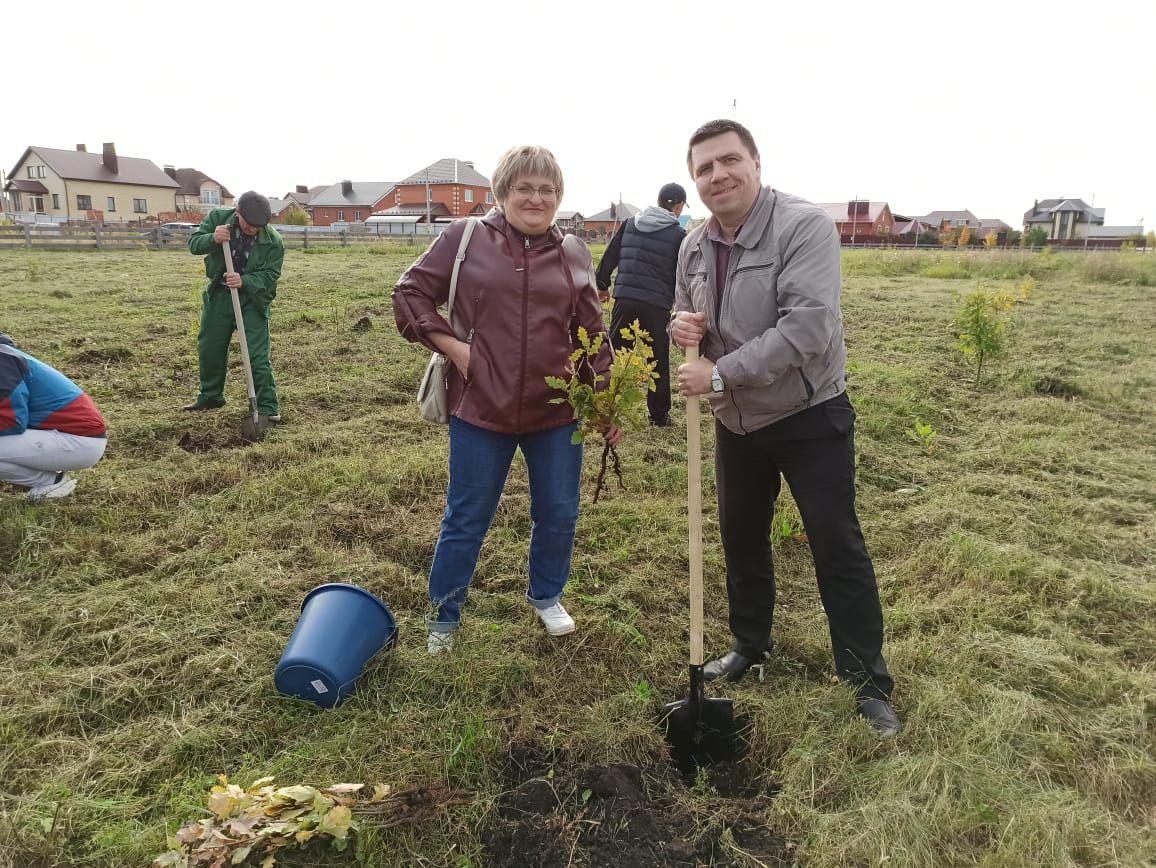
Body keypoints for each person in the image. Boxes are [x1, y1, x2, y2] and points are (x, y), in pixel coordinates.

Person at [670, 119, 901, 737]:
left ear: (755, 161)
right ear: (694, 180)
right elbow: (685, 310)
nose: (717, 176)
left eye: (728, 161)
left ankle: (866, 681)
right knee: (741, 536)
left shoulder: (803, 228)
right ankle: (750, 644)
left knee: (836, 543)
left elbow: (806, 330)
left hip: (807, 416)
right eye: (704, 168)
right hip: (737, 424)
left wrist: (718, 376)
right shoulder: (694, 244)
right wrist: (683, 328)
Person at [393, 145, 620, 655]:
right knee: (467, 514)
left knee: (559, 512)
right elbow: (409, 293)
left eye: (547, 190)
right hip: (481, 407)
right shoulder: (465, 239)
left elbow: (591, 333)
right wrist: (458, 350)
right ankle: (445, 614)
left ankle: (546, 595)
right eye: (525, 188)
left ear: (559, 197)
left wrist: (603, 401)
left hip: (556, 412)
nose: (536, 198)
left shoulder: (575, 253)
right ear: (503, 192)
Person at [184, 191, 284, 422]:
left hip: (252, 300)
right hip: (220, 295)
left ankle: (268, 408)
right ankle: (210, 396)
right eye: (250, 225)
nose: (254, 230)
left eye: (259, 226)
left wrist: (245, 281)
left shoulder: (273, 241)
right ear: (238, 213)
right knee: (211, 347)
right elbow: (194, 244)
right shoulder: (219, 219)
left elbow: (271, 275)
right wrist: (213, 238)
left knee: (257, 356)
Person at [596, 183, 687, 427]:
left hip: (624, 299)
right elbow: (682, 274)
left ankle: (606, 405)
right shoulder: (678, 234)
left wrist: (601, 284)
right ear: (678, 206)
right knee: (657, 360)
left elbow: (610, 254)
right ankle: (658, 416)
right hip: (656, 305)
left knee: (615, 354)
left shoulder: (630, 223)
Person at [0, 332, 107, 500]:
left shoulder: (2, 360)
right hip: (63, 435)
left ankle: (51, 481)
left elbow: (11, 420)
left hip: (78, 439)